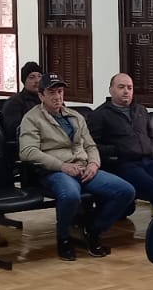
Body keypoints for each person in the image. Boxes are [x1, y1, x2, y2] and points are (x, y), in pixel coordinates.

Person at [19, 74, 134, 260]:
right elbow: (27, 151)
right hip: (55, 171)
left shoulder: (75, 117)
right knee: (71, 195)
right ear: (41, 96)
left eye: (60, 92)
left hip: (83, 168)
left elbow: (90, 146)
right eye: (51, 92)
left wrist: (94, 164)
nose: (57, 97)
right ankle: (64, 238)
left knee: (125, 191)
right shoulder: (31, 119)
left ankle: (94, 230)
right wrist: (62, 166)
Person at [86, 72, 153, 213]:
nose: (126, 91)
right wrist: (115, 151)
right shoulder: (100, 115)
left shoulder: (140, 110)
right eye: (121, 87)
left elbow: (152, 136)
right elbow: (91, 144)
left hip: (148, 160)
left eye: (129, 87)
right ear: (111, 90)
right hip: (123, 164)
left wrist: (151, 149)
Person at [0, 61, 43, 140]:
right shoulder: (14, 102)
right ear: (24, 81)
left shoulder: (49, 98)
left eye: (40, 76)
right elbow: (14, 130)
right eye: (32, 77)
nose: (37, 80)